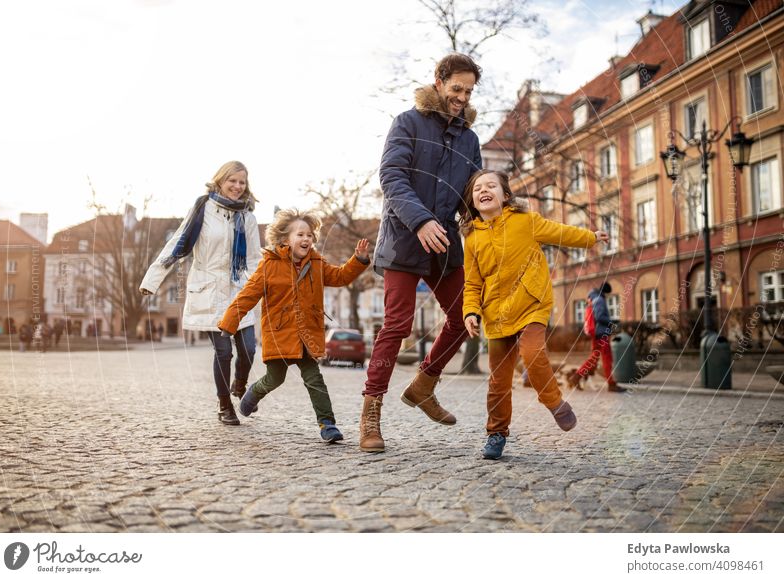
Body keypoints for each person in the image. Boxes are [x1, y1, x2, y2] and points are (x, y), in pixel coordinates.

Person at [360, 53, 483, 453]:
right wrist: (420, 221)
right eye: (456, 88)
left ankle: (424, 385)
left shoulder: (469, 138)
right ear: (439, 81)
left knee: (465, 315)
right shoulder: (407, 123)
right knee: (397, 324)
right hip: (404, 237)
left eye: (468, 91)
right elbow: (391, 176)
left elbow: (471, 194)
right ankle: (371, 413)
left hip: (445, 242)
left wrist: (492, 216)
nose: (461, 97)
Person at [460, 170, 609, 460]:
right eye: (478, 188)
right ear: (472, 200)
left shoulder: (525, 221)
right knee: (498, 381)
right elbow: (472, 282)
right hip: (497, 314)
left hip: (531, 303)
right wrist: (470, 311)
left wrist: (590, 237)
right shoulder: (472, 239)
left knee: (532, 354)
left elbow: (560, 232)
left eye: (491, 185)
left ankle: (554, 402)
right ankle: (496, 433)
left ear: (505, 196)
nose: (484, 190)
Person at [218, 209, 369, 443]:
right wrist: (229, 324)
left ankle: (327, 424)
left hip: (307, 334)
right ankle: (252, 395)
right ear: (285, 239)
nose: (306, 239)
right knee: (274, 379)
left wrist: (357, 260)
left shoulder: (317, 263)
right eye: (300, 234)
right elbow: (247, 297)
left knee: (314, 379)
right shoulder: (269, 265)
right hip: (279, 334)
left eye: (309, 235)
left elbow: (340, 277)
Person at [140, 160, 262, 426]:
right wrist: (152, 279)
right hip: (208, 290)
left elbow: (254, 259)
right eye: (232, 181)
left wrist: (260, 288)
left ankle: (239, 383)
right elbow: (178, 242)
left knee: (249, 349)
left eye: (242, 182)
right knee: (223, 353)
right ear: (219, 180)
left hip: (240, 291)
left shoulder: (248, 217)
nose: (237, 187)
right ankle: (224, 405)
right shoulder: (203, 209)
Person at [567, 282, 624, 392]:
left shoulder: (593, 299)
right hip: (602, 334)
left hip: (597, 334)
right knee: (607, 359)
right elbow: (600, 316)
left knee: (593, 359)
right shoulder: (599, 300)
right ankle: (611, 384)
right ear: (605, 292)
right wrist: (612, 323)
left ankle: (576, 377)